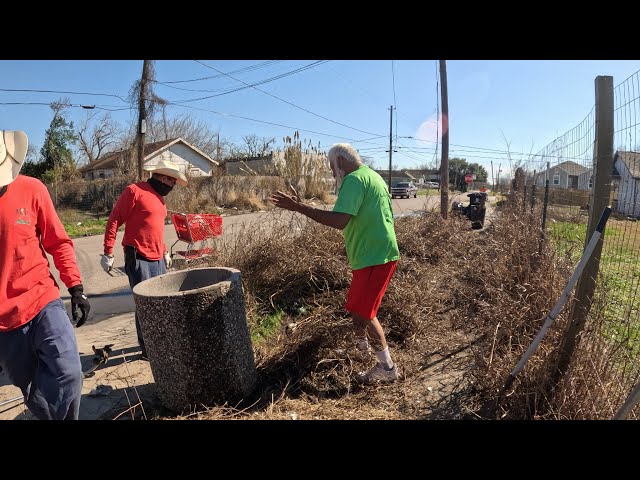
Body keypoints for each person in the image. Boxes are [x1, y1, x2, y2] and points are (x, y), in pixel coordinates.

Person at [270, 143, 400, 384]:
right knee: (354, 307)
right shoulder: (372, 176)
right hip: (371, 254)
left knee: (365, 312)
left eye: (331, 166)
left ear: (339, 161)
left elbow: (339, 220)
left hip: (375, 256)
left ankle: (388, 368)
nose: (331, 172)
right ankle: (362, 353)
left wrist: (299, 207)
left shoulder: (353, 179)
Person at [0, 130, 90, 420]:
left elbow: (58, 241)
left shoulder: (32, 189)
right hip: (3, 322)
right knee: (31, 389)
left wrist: (75, 287)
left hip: (42, 300)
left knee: (68, 372)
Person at [101, 159, 187, 359]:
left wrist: (165, 251)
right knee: (145, 305)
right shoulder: (134, 191)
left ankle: (160, 342)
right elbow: (114, 219)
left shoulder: (159, 198)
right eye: (173, 182)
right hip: (138, 255)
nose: (173, 186)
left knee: (161, 302)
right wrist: (108, 252)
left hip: (158, 257)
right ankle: (148, 349)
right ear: (163, 177)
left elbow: (154, 227)